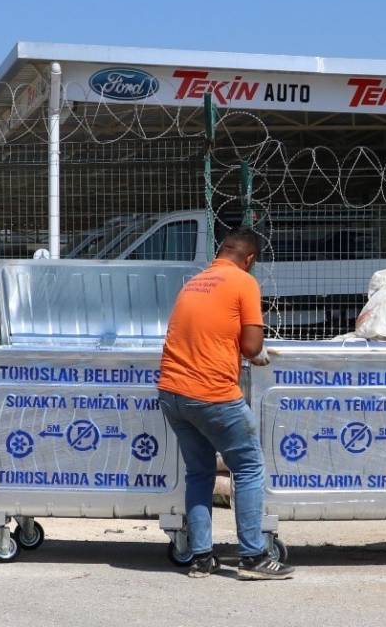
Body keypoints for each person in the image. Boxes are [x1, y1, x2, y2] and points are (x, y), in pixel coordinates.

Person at [157, 227, 293, 580]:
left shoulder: (195, 281)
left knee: (199, 473)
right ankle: (252, 558)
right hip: (212, 394)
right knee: (248, 466)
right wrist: (259, 354)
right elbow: (250, 346)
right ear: (249, 259)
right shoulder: (243, 282)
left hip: (172, 393)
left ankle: (201, 558)